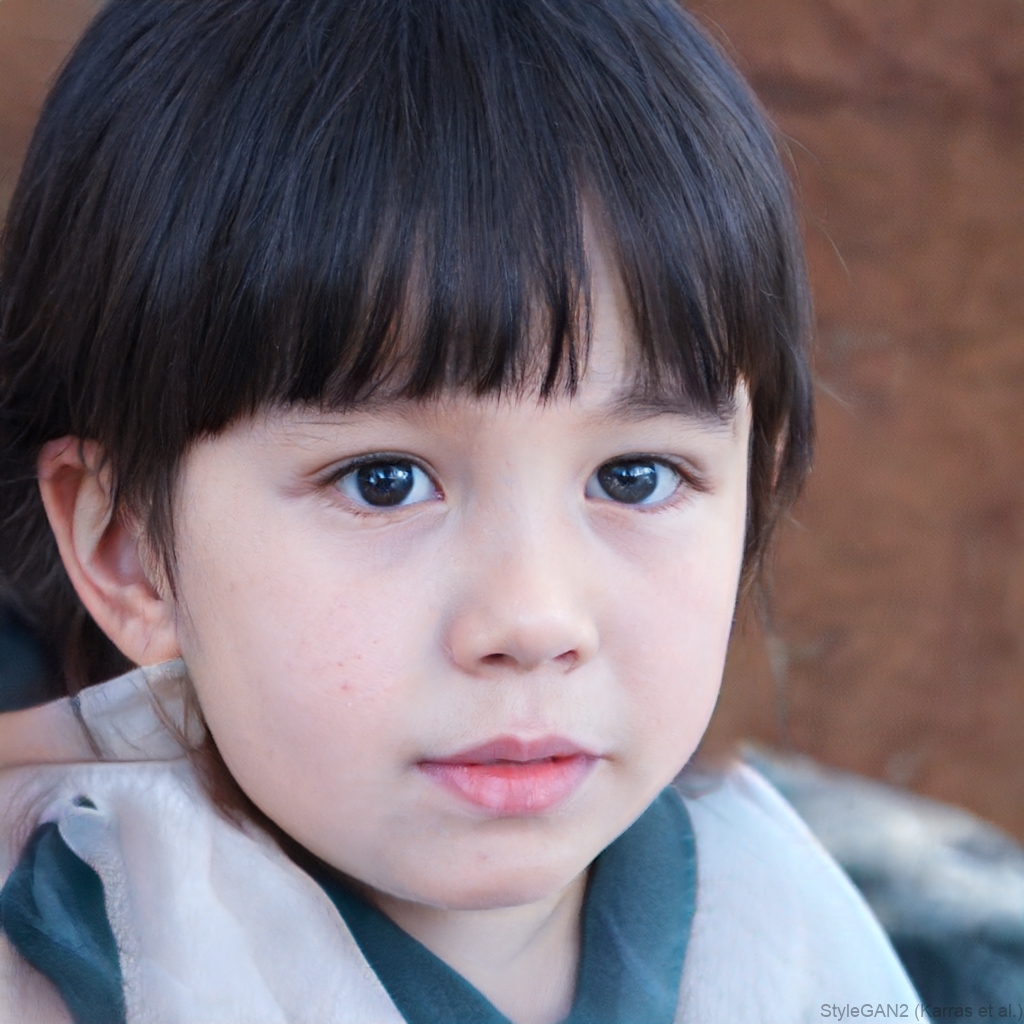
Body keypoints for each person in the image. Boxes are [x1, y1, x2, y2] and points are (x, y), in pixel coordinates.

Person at [0, 1, 918, 1021]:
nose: (533, 619)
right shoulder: (83, 953)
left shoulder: (787, 930)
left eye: (634, 477)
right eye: (383, 481)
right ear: (128, 547)